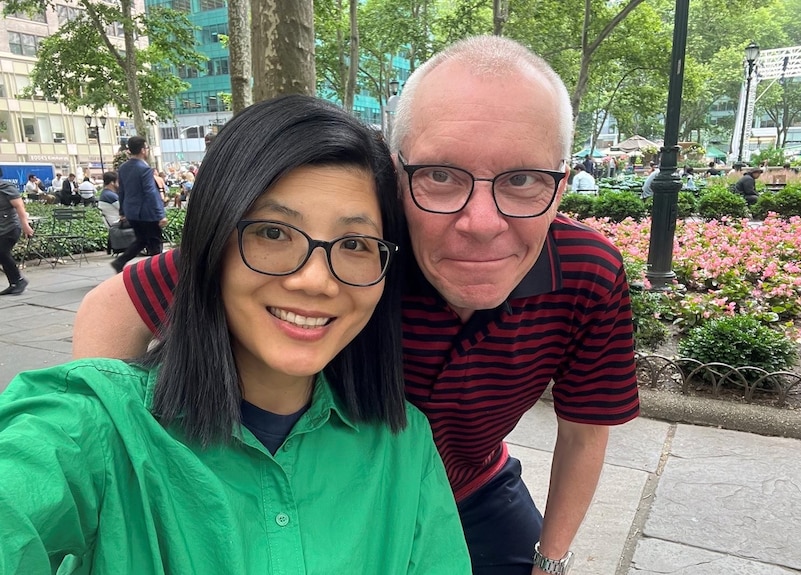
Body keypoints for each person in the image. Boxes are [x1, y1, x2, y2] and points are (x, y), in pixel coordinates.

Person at [73, 36, 639, 575]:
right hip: (334, 489)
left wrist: (552, 558)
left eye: (522, 180)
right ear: (396, 176)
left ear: (560, 188)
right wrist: (116, 460)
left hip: (476, 483)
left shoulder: (587, 273)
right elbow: (115, 306)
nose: (481, 224)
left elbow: (586, 431)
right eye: (441, 177)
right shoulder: (351, 247)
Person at [0, 95, 471, 573]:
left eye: (353, 244)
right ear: (213, 242)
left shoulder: (403, 443)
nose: (315, 280)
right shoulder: (93, 427)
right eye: (272, 233)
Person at [110, 136, 167, 273]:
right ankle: (158, 270)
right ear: (142, 150)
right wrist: (160, 214)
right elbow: (150, 192)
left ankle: (120, 261)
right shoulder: (145, 169)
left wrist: (123, 211)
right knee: (155, 241)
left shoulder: (123, 168)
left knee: (142, 240)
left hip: (132, 212)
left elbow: (121, 191)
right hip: (147, 212)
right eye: (146, 148)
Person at [0, 167, 34, 295]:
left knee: (2, 252)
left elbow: (19, 206)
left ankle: (18, 281)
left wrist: (25, 225)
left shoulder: (5, 187)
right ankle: (15, 282)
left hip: (11, 227)